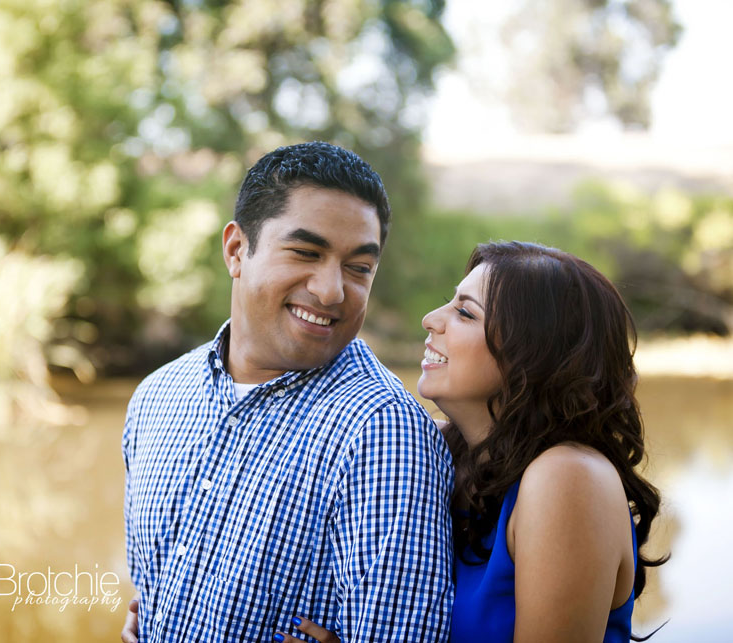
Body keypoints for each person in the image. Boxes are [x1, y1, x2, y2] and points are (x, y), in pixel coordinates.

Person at [120, 142, 455, 643]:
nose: (331, 290)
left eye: (358, 267)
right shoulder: (157, 396)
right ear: (237, 250)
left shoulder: (383, 433)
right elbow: (151, 593)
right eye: (306, 252)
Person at [279, 241, 664, 643]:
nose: (430, 319)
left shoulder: (569, 476)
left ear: (534, 352)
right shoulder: (426, 448)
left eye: (465, 312)